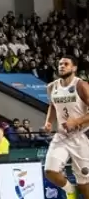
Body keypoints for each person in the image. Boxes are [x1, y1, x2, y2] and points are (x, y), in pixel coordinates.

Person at [44, 57, 89, 199]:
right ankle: (71, 191)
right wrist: (49, 122)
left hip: (81, 136)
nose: (62, 66)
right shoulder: (52, 87)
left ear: (74, 68)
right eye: (60, 64)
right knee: (50, 171)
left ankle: (79, 189)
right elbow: (52, 106)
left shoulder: (81, 85)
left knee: (84, 184)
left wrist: (76, 121)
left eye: (66, 64)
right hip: (62, 136)